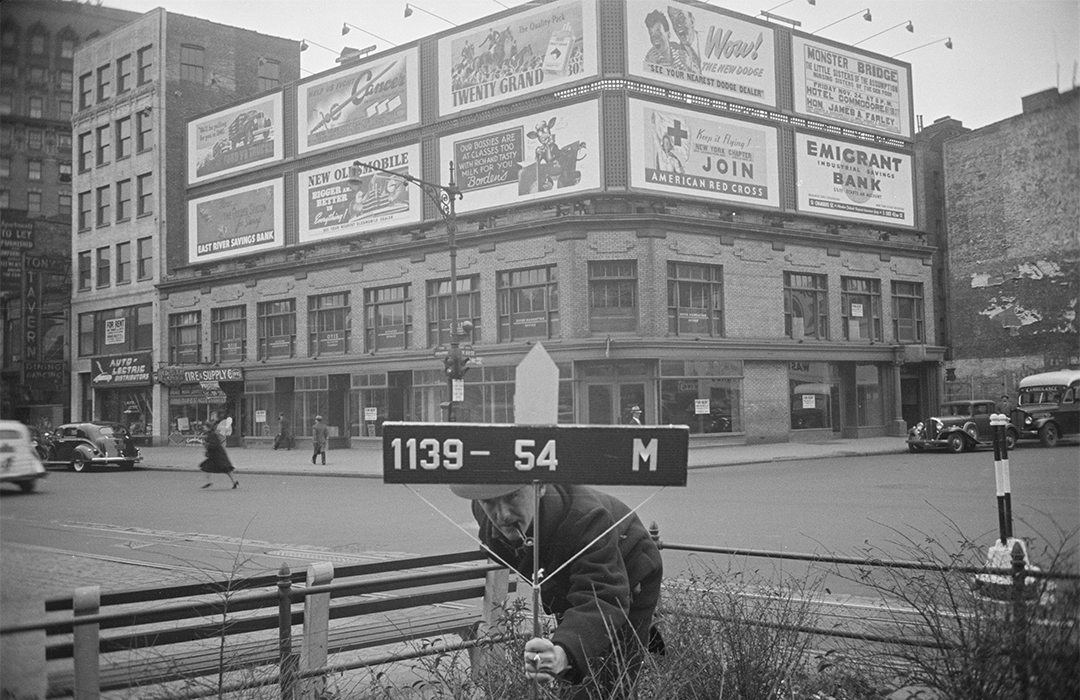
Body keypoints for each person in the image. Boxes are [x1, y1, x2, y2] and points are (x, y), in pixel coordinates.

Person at [450, 482, 663, 697]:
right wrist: (563, 650)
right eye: (489, 501)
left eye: (513, 496)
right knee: (573, 672)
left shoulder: (586, 518)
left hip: (630, 569)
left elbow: (603, 596)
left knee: (612, 678)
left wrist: (562, 654)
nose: (502, 515)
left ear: (540, 487)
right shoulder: (482, 508)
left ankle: (634, 627)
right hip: (570, 574)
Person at [199, 415, 238, 489]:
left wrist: (207, 445)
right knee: (207, 467)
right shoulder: (210, 435)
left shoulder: (212, 435)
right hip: (215, 455)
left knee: (226, 468)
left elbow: (215, 445)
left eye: (204, 427)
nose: (203, 428)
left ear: (208, 428)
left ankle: (234, 481)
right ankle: (208, 482)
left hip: (218, 455)